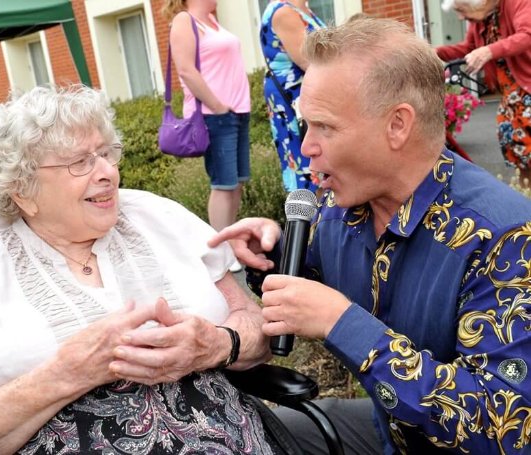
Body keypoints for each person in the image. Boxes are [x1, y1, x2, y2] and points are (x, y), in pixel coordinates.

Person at [0, 85, 279, 454]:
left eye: (106, 153)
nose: (107, 173)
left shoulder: (160, 217)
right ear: (22, 189)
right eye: (81, 161)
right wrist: (67, 373)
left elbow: (254, 327)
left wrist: (215, 344)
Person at [210, 16, 531, 454]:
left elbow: (504, 427)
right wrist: (274, 251)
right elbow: (319, 274)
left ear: (397, 125)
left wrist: (344, 324)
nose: (306, 147)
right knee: (248, 434)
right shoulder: (342, 211)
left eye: (325, 127)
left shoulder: (506, 238)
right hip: (391, 435)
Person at [163, 0, 251, 244]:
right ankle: (220, 247)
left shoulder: (212, 21)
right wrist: (218, 106)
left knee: (236, 183)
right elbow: (186, 70)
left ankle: (231, 242)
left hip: (237, 111)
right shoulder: (184, 21)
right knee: (223, 184)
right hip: (214, 115)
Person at [436, 0, 531, 186]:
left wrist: (489, 50)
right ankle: (526, 200)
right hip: (510, 95)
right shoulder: (480, 18)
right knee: (517, 150)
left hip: (527, 87)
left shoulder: (518, 3)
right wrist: (435, 52)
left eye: (461, 10)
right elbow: (468, 48)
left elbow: (527, 35)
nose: (461, 17)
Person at [260, 0, 325, 192]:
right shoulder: (284, 13)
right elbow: (310, 62)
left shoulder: (302, 9)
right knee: (308, 168)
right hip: (294, 103)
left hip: (307, 100)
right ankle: (314, 221)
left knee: (320, 166)